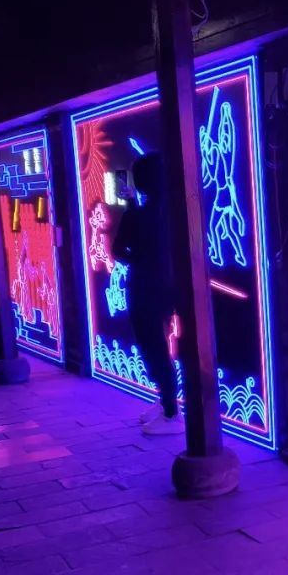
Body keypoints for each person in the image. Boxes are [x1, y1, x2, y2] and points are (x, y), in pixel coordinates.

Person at [113, 153, 183, 435]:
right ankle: (167, 402)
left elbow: (118, 250)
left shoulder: (136, 215)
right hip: (171, 286)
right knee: (161, 346)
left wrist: (140, 258)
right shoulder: (177, 212)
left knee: (152, 346)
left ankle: (171, 412)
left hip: (143, 287)